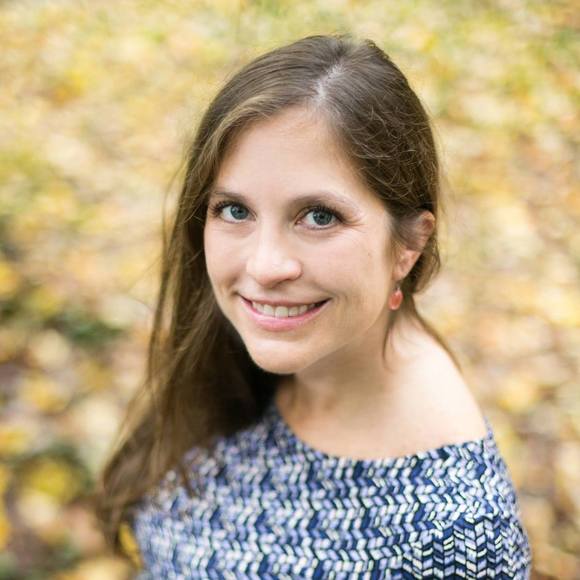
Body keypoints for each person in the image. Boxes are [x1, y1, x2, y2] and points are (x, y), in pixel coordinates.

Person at [94, 33, 532, 578]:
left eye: (319, 217)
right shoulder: (234, 356)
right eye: (234, 210)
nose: (265, 266)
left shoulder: (453, 534)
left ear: (408, 245)